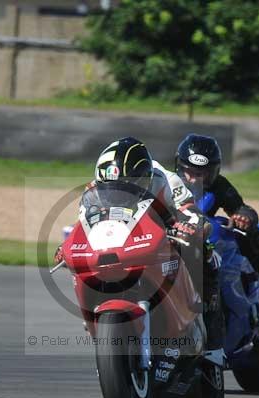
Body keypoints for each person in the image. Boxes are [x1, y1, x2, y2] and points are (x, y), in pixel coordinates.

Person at [56, 137, 223, 355]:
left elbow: (193, 213)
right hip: (125, 244)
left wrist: (190, 227)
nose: (116, 193)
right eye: (110, 187)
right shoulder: (94, 190)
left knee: (203, 254)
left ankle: (214, 347)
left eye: (125, 186)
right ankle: (96, 319)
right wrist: (66, 246)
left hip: (164, 236)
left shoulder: (166, 181)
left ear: (144, 178)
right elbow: (85, 224)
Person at [174, 133, 259, 320]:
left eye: (201, 174)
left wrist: (244, 218)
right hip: (175, 237)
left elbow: (242, 209)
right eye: (189, 171)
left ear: (213, 172)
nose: (194, 179)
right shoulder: (168, 182)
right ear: (179, 166)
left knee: (250, 233)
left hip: (207, 241)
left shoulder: (219, 186)